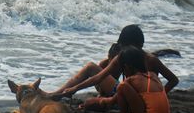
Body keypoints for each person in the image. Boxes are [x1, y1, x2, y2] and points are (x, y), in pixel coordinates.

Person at [49, 24, 179, 100]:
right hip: (132, 96)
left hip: (126, 96)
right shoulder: (150, 58)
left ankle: (59, 93)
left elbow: (98, 77)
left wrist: (74, 88)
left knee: (91, 67)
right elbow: (173, 80)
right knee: (103, 65)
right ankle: (63, 93)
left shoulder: (136, 58)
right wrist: (160, 95)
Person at [98, 46, 171, 113]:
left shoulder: (131, 80)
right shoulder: (153, 75)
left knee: (122, 86)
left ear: (127, 67)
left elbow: (112, 101)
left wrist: (102, 101)